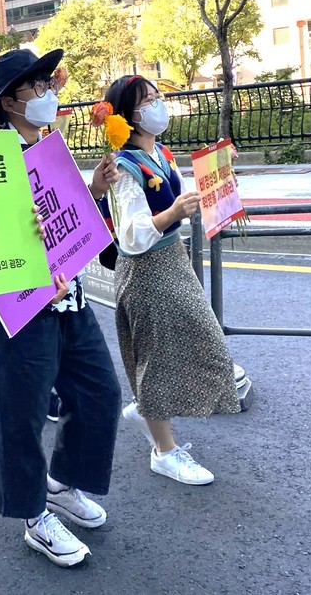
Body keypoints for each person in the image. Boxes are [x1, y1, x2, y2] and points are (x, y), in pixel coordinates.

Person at [0, 48, 122, 568]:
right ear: (10, 100)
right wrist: (19, 238)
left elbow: (73, 224)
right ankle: (33, 515)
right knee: (21, 413)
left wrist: (95, 191)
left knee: (101, 394)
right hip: (23, 307)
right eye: (36, 86)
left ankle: (60, 482)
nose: (48, 94)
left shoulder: (49, 148)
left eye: (47, 83)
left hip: (71, 298)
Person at [103, 75, 240, 484]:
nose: (156, 105)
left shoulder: (160, 151)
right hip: (146, 270)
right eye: (146, 101)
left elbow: (175, 201)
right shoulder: (124, 167)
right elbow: (132, 234)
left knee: (203, 340)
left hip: (172, 261)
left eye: (156, 97)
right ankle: (164, 450)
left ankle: (145, 408)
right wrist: (175, 214)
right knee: (158, 356)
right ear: (128, 116)